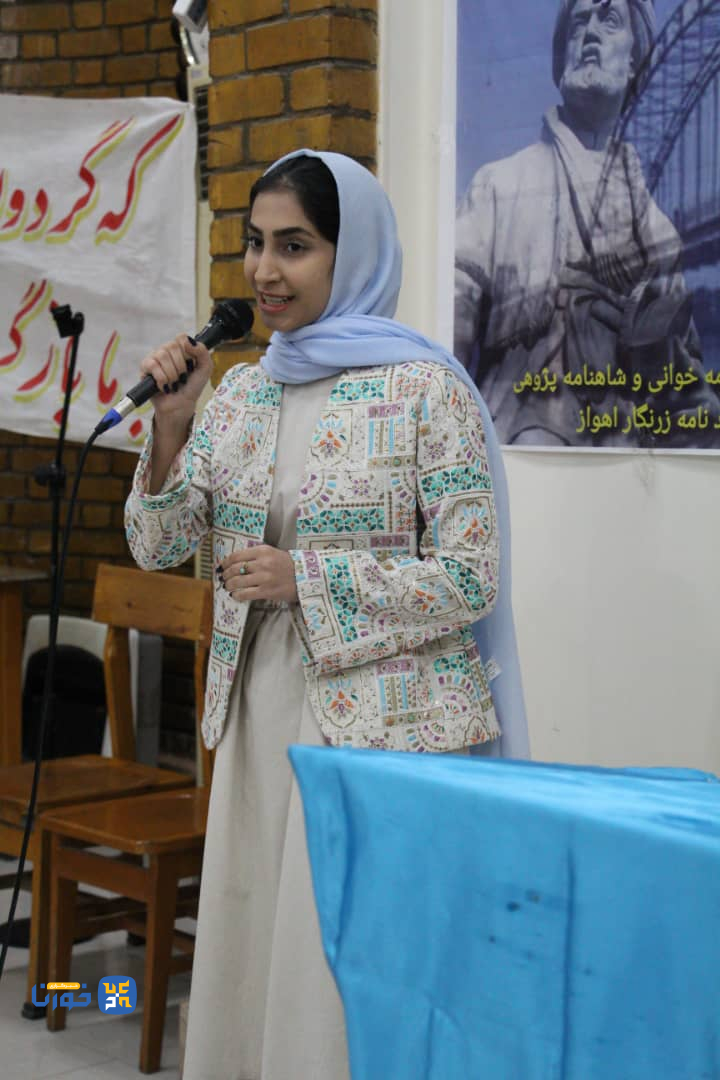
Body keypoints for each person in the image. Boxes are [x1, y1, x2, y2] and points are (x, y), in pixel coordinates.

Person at [125, 149, 527, 1080]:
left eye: (295, 246)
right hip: (260, 709)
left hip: (385, 728)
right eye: (255, 244)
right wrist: (173, 425)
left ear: (356, 253)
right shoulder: (240, 393)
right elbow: (156, 544)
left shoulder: (427, 390)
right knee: (257, 936)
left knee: (338, 958)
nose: (264, 271)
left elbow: (471, 577)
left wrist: (305, 577)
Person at [455, 0, 720, 448]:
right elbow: (447, 344)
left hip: (625, 466)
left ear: (635, 62)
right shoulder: (499, 187)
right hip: (523, 457)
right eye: (579, 22)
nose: (591, 32)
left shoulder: (659, 234)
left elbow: (685, 400)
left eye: (609, 20)